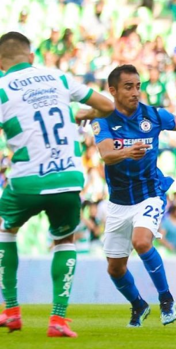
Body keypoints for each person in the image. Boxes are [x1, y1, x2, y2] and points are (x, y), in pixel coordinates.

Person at [92, 65, 176, 327]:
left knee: (142, 242)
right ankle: (138, 304)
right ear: (113, 91)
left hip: (149, 194)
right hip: (119, 202)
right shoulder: (103, 120)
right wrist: (127, 152)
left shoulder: (153, 115)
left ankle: (166, 299)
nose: (135, 92)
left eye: (138, 86)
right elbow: (107, 154)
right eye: (128, 87)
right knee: (115, 269)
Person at [0, 32, 114, 337]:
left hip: (25, 182)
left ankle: (11, 310)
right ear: (32, 57)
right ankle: (58, 319)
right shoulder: (58, 78)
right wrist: (85, 115)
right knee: (65, 241)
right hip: (67, 178)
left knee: (5, 231)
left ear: (1, 63)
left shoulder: (1, 88)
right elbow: (107, 105)